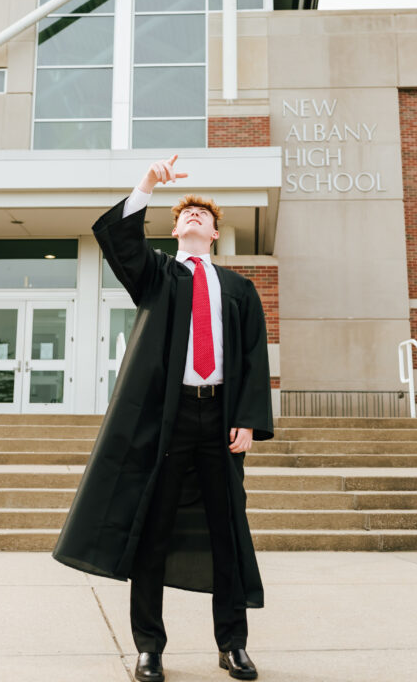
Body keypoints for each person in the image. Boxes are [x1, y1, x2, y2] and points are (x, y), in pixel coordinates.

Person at [53, 154, 274, 681]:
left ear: (216, 234)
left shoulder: (239, 290)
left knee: (227, 534)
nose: (194, 217)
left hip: (220, 420)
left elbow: (252, 358)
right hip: (168, 422)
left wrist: (246, 418)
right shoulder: (158, 276)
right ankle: (149, 648)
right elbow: (121, 242)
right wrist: (148, 183)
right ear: (174, 229)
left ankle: (233, 644)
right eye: (186, 214)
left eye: (204, 215)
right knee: (151, 533)